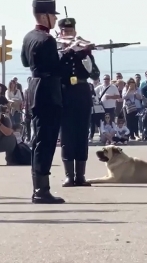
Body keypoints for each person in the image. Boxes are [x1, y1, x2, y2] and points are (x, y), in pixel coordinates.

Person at [21, 0, 64, 204]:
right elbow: (58, 70)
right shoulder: (48, 40)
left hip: (35, 90)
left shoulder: (29, 36)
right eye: (53, 15)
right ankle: (41, 191)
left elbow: (24, 61)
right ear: (45, 16)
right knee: (46, 141)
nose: (55, 18)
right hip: (48, 92)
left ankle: (38, 187)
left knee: (39, 140)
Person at [57, 16, 99, 187]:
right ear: (60, 32)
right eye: (64, 31)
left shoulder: (84, 51)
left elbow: (95, 74)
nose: (67, 33)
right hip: (65, 95)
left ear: (75, 31)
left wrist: (85, 55)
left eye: (70, 31)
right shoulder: (57, 50)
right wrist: (67, 51)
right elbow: (55, 70)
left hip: (82, 96)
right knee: (67, 137)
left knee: (82, 136)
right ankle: (69, 175)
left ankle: (80, 175)